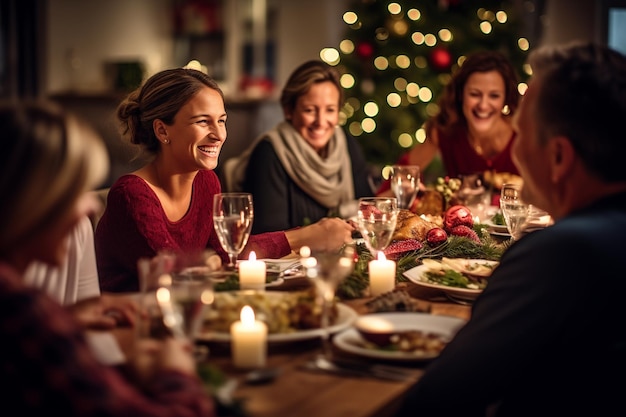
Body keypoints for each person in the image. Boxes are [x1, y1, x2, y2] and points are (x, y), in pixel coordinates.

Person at [395, 42, 626, 416]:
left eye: (523, 133)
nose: (515, 151)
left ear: (559, 157)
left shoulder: (557, 255)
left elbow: (439, 399)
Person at [0, 100, 213, 415]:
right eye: (73, 191)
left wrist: (66, 319)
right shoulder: (17, 308)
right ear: (29, 201)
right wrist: (176, 370)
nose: (91, 207)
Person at [95, 67, 353, 293]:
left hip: (191, 315)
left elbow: (226, 256)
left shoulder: (207, 181)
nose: (219, 134)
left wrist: (307, 236)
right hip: (133, 330)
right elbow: (176, 275)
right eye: (202, 122)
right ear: (162, 130)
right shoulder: (131, 194)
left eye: (221, 121)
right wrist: (305, 237)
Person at [225, 59, 373, 233]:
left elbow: (366, 209)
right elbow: (268, 237)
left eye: (330, 110)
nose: (321, 122)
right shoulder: (268, 153)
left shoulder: (347, 144)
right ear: (289, 110)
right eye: (310, 110)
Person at [377, 50, 521, 196]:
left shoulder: (523, 133)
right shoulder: (445, 130)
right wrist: (401, 191)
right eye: (474, 94)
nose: (483, 105)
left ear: (506, 98)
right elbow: (398, 180)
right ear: (460, 95)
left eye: (494, 96)